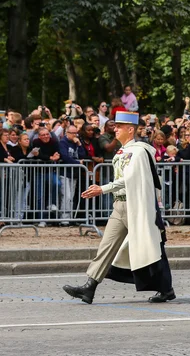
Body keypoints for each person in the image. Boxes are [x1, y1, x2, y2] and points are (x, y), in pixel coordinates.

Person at [63, 112, 175, 304]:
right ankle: (90, 287)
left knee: (151, 248)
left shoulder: (139, 151)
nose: (114, 129)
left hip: (136, 206)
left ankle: (166, 289)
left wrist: (103, 188)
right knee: (107, 246)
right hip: (121, 205)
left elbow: (130, 179)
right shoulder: (122, 152)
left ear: (130, 129)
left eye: (119, 126)